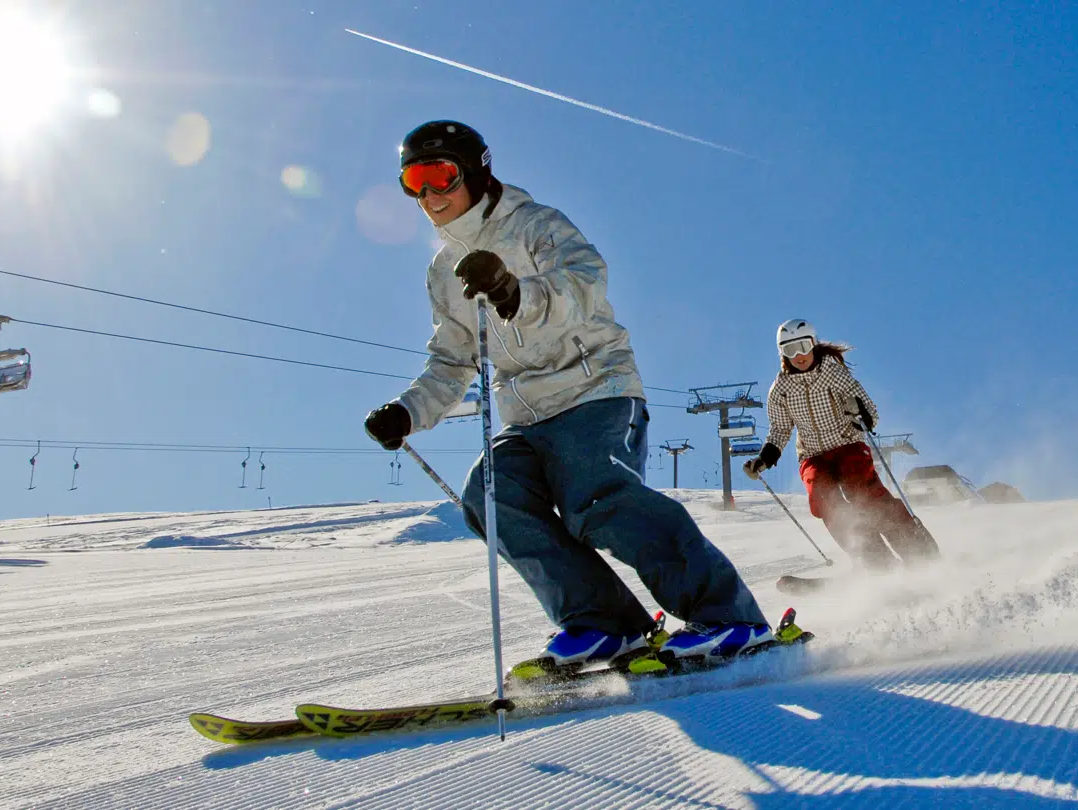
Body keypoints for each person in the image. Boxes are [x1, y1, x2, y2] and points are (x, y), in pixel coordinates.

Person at [363, 120, 773, 676]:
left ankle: (728, 615)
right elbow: (453, 358)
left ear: (477, 171)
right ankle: (606, 625)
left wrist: (514, 292)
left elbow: (586, 284)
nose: (429, 195)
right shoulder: (442, 271)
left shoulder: (535, 225)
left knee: (596, 496)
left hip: (594, 389)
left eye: (440, 175)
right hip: (525, 413)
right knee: (491, 498)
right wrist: (409, 411)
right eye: (414, 181)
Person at [744, 319, 939, 570]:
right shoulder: (780, 389)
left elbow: (867, 408)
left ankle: (914, 548)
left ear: (813, 344)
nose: (799, 355)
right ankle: (876, 560)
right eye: (790, 350)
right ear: (782, 353)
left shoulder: (831, 371)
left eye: (803, 346)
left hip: (847, 444)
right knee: (823, 501)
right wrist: (764, 459)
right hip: (812, 455)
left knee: (862, 491)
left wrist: (860, 415)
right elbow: (780, 429)